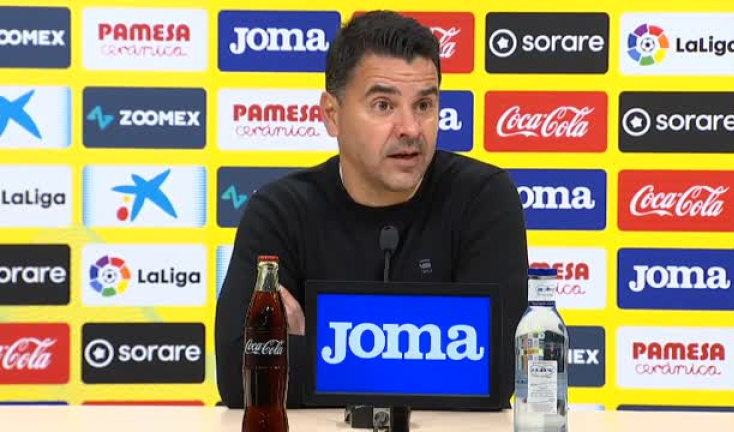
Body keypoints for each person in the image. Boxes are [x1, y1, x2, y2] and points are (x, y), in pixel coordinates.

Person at [214, 10, 529, 410]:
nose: (410, 128)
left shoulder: (482, 198)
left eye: (424, 105)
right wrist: (431, 357)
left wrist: (315, 347)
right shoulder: (280, 210)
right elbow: (238, 373)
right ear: (332, 115)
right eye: (383, 105)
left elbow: (495, 374)